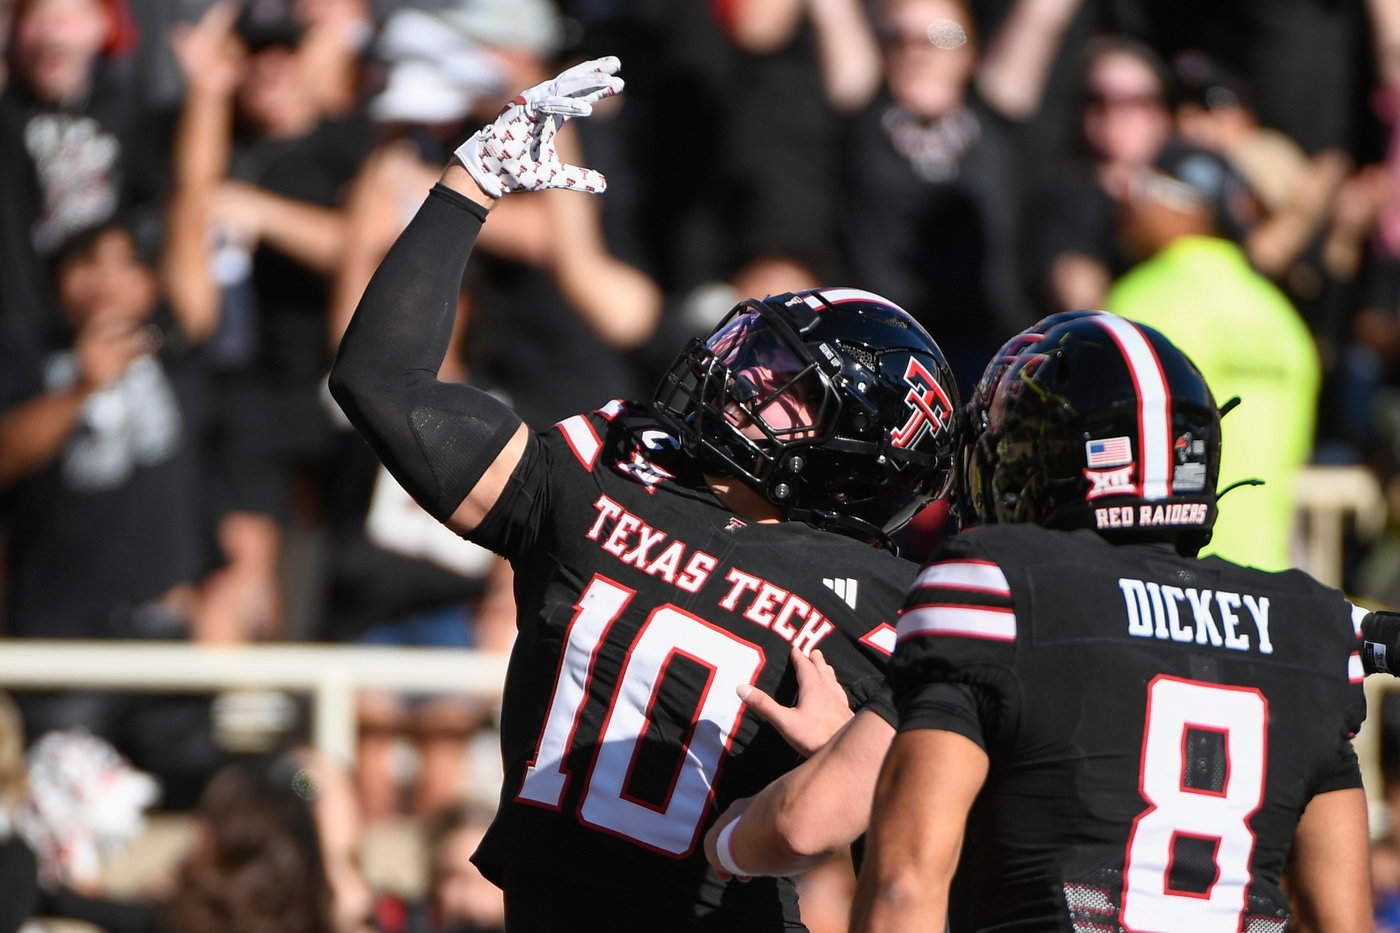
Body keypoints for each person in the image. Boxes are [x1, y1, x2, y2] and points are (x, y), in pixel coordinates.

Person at [328, 57, 962, 931]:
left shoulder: (888, 610)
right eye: (761, 356)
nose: (747, 378)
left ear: (857, 456)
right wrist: (470, 183)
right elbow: (379, 384)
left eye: (790, 386)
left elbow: (925, 879)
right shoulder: (612, 467)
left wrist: (850, 770)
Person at [706, 314, 1378, 932]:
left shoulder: (998, 590)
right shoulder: (1311, 628)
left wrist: (728, 842)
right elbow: (1342, 922)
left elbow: (888, 874)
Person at [1106, 141, 1318, 572]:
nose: (1127, 206)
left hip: (1171, 578)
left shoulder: (1140, 303)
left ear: (1180, 205)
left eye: (1140, 190)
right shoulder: (1282, 319)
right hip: (1266, 580)